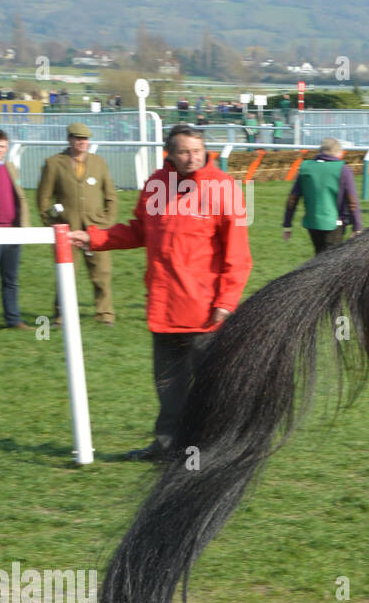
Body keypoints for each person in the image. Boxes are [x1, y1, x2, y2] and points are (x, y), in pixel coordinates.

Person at [69, 124, 252, 461]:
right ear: (169, 152)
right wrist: (93, 238)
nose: (192, 158)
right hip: (163, 308)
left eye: (197, 150)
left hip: (206, 310)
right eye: (184, 151)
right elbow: (139, 230)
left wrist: (226, 301)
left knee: (211, 386)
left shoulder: (223, 188)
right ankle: (168, 447)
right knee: (169, 385)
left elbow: (238, 255)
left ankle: (216, 449)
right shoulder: (156, 184)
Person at [36, 122, 118, 324]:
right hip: (67, 230)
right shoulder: (54, 163)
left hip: (95, 229)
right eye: (79, 139)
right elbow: (43, 198)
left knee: (102, 273)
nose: (83, 143)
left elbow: (111, 197)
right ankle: (61, 314)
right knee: (66, 273)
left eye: (86, 139)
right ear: (70, 139)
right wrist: (53, 224)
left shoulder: (99, 163)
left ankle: (105, 314)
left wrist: (106, 222)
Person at [283, 137, 363, 253]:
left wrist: (287, 224)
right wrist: (357, 227)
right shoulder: (343, 169)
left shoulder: (306, 167)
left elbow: (292, 199)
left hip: (312, 223)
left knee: (319, 255)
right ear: (338, 153)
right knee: (330, 263)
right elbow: (352, 200)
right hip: (335, 224)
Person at [0, 129, 31, 329]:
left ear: (6, 148)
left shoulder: (10, 167)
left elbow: (19, 196)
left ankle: (13, 319)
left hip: (13, 231)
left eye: (0, 146)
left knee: (10, 278)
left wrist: (23, 224)